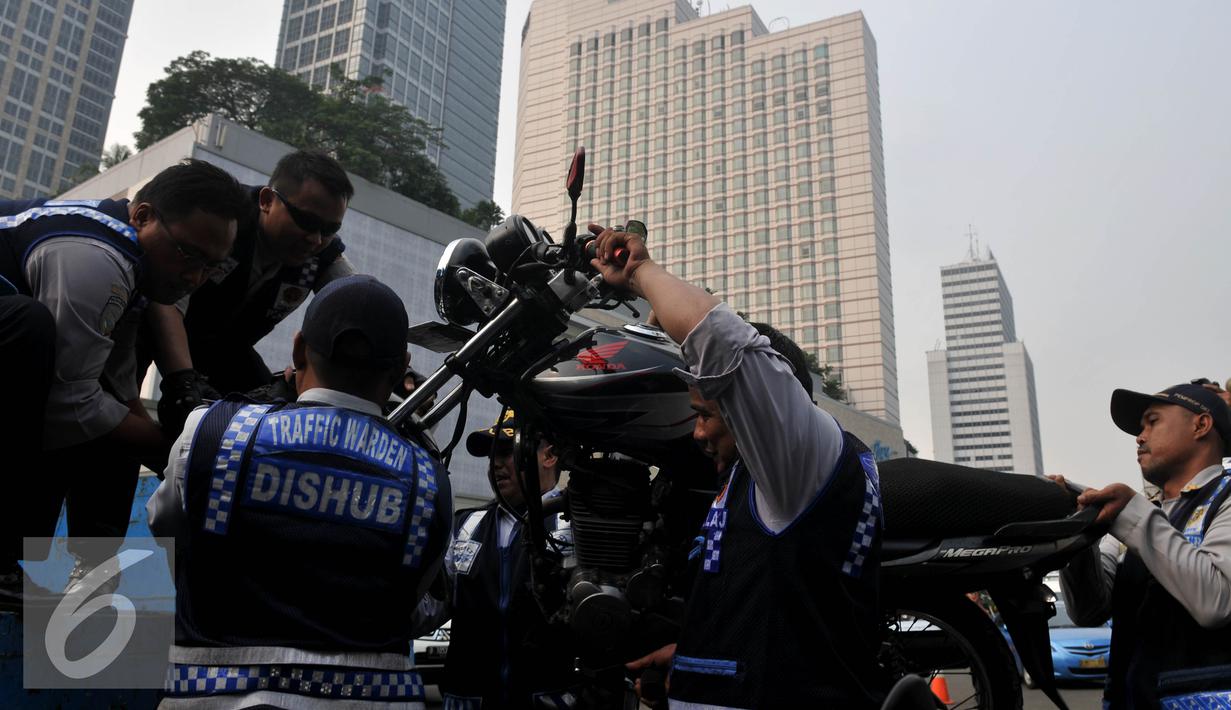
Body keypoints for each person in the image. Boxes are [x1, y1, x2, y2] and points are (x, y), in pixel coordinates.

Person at [588, 225, 885, 708]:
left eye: (706, 415)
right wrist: (691, 657)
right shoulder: (769, 480)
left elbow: (721, 340)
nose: (698, 433)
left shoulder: (799, 455)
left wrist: (640, 271)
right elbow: (775, 613)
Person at [148, 274, 451, 708]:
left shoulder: (212, 432)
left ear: (296, 349)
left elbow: (167, 533)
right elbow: (418, 603)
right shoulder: (428, 478)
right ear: (402, 367)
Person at [0, 159, 248, 608]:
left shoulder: (134, 271)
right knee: (35, 340)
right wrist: (169, 447)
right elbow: (68, 403)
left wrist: (178, 456)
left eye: (210, 267)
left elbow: (117, 392)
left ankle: (95, 571)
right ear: (143, 216)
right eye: (187, 254)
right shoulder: (95, 260)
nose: (193, 277)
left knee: (107, 416)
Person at [149, 149, 357, 434]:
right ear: (267, 200)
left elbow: (359, 304)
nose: (315, 238)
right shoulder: (224, 220)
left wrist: (399, 371)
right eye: (306, 221)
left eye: (330, 229)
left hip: (229, 352)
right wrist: (182, 381)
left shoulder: (323, 255)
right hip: (150, 325)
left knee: (270, 419)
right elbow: (168, 302)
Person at [1055, 382, 1231, 708]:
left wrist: (1129, 512)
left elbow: (1217, 600)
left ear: (1201, 425)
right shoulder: (1143, 518)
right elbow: (1089, 610)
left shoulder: (1224, 500)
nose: (1139, 437)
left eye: (1153, 421)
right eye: (1140, 428)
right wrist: (1077, 528)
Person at [436, 410, 578, 709]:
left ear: (549, 455)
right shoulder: (464, 526)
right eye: (491, 454)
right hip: (466, 701)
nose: (495, 463)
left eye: (505, 451)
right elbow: (432, 606)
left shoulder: (575, 528)